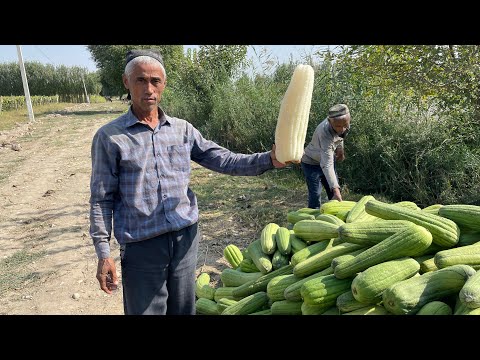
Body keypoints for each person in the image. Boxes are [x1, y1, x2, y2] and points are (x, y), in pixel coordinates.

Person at [89, 49, 286, 315]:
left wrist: (269, 160)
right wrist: (103, 252)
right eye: (140, 80)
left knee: (183, 309)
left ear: (164, 84)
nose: (149, 88)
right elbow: (101, 199)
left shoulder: (183, 129)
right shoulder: (110, 137)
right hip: (142, 245)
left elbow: (224, 160)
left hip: (185, 239)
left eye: (155, 81)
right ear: (126, 82)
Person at [300, 103, 351, 209]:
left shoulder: (342, 122)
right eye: (338, 126)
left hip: (327, 159)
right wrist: (336, 189)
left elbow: (341, 135)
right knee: (315, 194)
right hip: (311, 163)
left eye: (345, 125)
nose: (342, 129)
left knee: (333, 192)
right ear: (330, 122)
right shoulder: (324, 133)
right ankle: (312, 220)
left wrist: (340, 149)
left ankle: (335, 215)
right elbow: (327, 164)